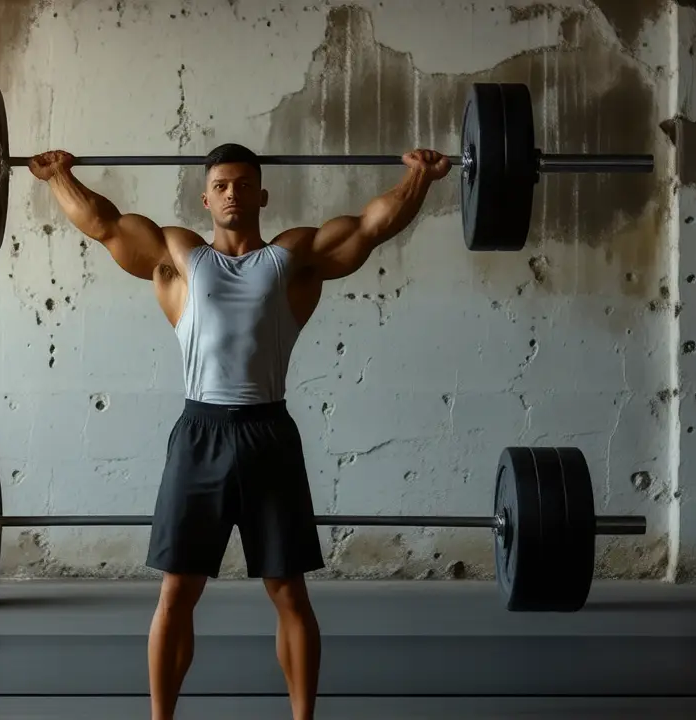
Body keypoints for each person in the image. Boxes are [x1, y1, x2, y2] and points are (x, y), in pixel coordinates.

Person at [29, 143, 452, 720]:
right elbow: (104, 224)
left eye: (243, 184)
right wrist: (58, 177)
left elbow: (369, 228)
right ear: (206, 197)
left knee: (290, 594)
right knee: (177, 594)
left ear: (262, 194)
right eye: (222, 185)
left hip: (267, 432)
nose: (232, 194)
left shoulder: (291, 257)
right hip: (199, 432)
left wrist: (420, 179)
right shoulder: (179, 253)